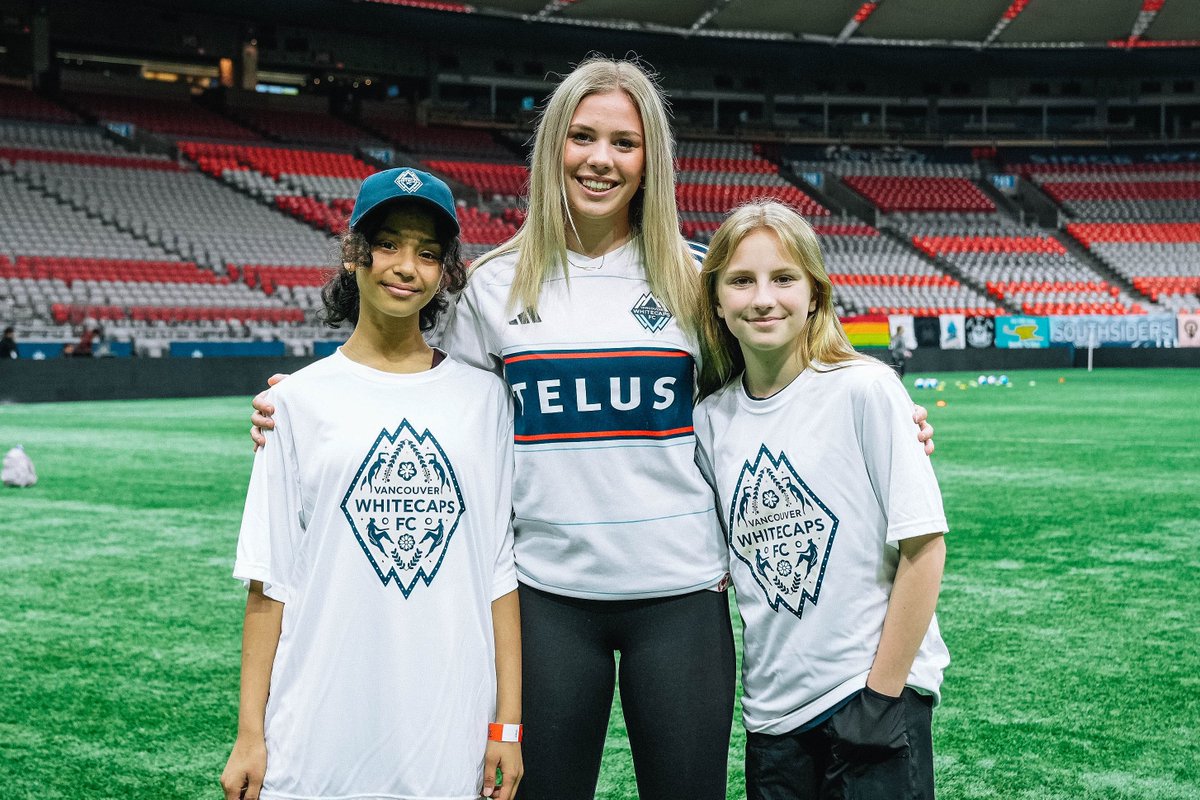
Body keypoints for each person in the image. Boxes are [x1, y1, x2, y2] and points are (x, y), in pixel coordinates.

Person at [251, 57, 933, 800]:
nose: (601, 159)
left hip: (680, 597)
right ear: (554, 148)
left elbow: (784, 387)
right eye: (582, 136)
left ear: (650, 160)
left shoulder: (694, 280)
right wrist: (314, 395)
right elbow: (424, 383)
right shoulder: (491, 286)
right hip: (549, 599)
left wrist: (893, 414)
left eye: (624, 142)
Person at [222, 167, 523, 800]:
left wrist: (508, 727)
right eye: (388, 243)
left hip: (448, 736)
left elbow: (499, 575)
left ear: (444, 274)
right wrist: (251, 734)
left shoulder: (485, 401)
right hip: (318, 737)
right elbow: (268, 581)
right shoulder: (294, 404)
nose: (405, 266)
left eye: (428, 252)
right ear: (355, 255)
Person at [693, 201, 948, 800]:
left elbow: (924, 549)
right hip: (772, 718)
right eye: (741, 280)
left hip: (868, 696)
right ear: (717, 302)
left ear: (815, 294)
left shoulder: (865, 388)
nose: (763, 298)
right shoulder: (709, 420)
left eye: (784, 278)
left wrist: (882, 697)